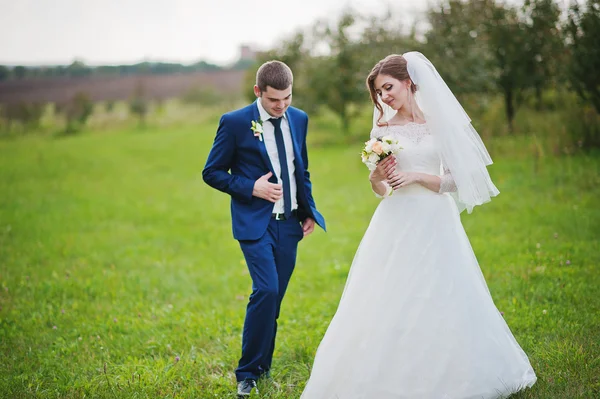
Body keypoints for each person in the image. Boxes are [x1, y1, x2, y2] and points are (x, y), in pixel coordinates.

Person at [300, 52, 536, 399]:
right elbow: (381, 190)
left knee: (442, 291)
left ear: (409, 82)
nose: (384, 97)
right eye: (379, 92)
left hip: (435, 218)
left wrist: (418, 176)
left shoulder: (440, 123)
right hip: (395, 220)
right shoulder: (382, 128)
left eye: (388, 88)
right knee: (388, 294)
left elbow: (458, 180)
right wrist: (376, 177)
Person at [202, 60, 326, 397]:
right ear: (258, 92)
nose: (282, 105)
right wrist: (251, 188)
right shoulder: (236, 123)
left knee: (275, 298)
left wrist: (307, 210)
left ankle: (262, 367)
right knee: (266, 291)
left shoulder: (299, 119)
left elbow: (302, 169)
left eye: (287, 98)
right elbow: (212, 172)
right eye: (274, 100)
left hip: (290, 226)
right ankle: (248, 374)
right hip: (255, 225)